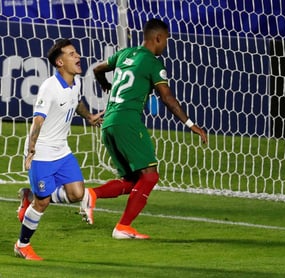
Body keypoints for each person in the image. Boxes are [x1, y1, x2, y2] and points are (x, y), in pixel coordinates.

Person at [87, 18, 207, 239]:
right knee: (150, 176)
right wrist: (192, 125)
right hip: (127, 122)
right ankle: (123, 227)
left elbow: (97, 69)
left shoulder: (124, 54)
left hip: (109, 123)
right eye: (166, 40)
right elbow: (168, 99)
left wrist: (104, 83)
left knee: (132, 181)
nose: (166, 45)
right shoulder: (152, 63)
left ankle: (90, 194)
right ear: (158, 38)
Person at [14, 39, 104, 260]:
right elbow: (37, 120)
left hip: (62, 150)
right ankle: (22, 245)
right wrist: (31, 151)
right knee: (42, 203)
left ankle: (30, 196)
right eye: (72, 54)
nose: (78, 57)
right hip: (42, 152)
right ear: (60, 62)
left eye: (76, 53)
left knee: (77, 193)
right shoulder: (49, 87)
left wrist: (89, 116)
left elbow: (77, 101)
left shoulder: (77, 82)